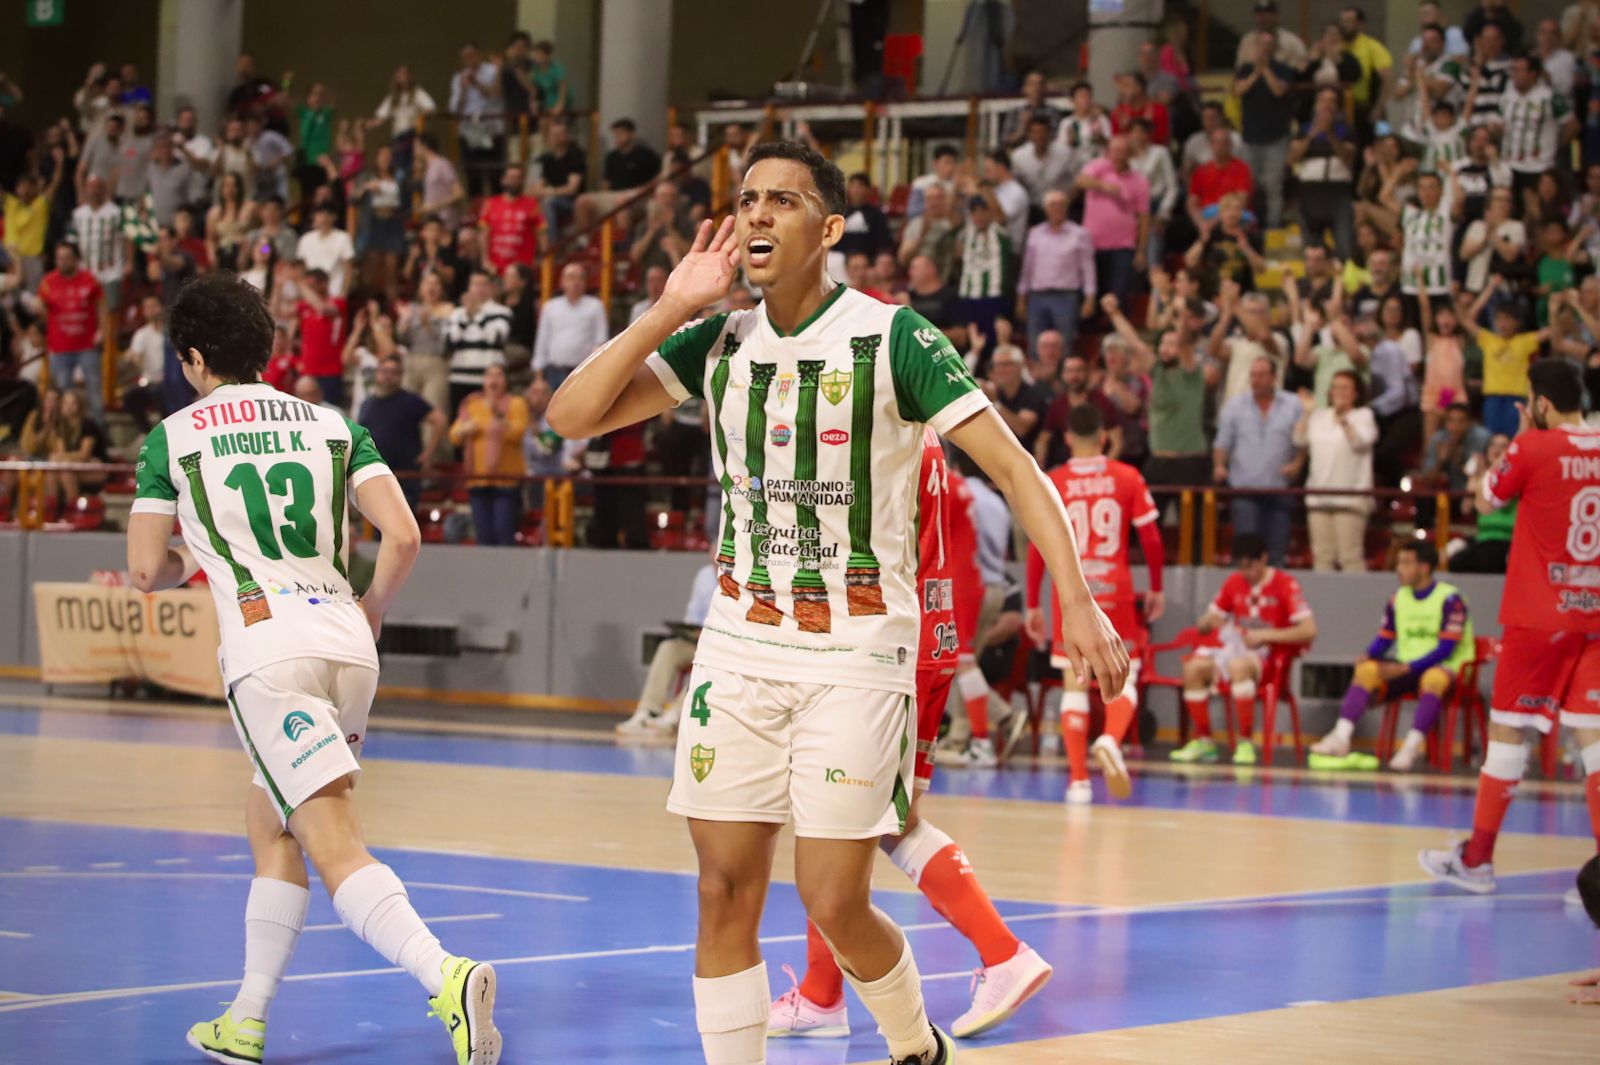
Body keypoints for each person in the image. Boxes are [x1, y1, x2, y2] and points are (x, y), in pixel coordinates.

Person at [545, 140, 1126, 1065]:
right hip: (740, 648)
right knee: (722, 891)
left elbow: (1016, 470)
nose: (760, 214)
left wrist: (1082, 600)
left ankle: (912, 1045)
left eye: (784, 199)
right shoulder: (716, 339)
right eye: (748, 199)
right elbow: (570, 417)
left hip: (857, 653)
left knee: (833, 898)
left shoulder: (894, 336)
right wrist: (668, 308)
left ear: (830, 227)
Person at [125, 272, 500, 1065]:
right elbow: (404, 537)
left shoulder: (174, 437)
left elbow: (143, 567)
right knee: (273, 824)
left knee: (331, 839)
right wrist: (366, 609)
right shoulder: (334, 424)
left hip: (269, 652)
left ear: (192, 356)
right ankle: (248, 1017)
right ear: (265, 345)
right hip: (347, 644)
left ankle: (447, 974)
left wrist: (206, 551)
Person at [772, 432, 1053, 1039]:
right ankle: (825, 994)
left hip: (883, 642)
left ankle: (1002, 954)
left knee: (834, 820)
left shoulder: (858, 415)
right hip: (931, 629)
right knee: (878, 822)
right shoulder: (921, 426)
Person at [1420, 360, 1600, 895]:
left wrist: (1519, 441)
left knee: (1506, 732)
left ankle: (1476, 861)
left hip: (1538, 614)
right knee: (1594, 741)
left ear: (1540, 403)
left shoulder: (1534, 446)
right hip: (1593, 611)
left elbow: (1487, 498)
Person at [1027, 403, 1165, 804]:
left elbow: (1039, 548)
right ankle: (1109, 738)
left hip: (1071, 593)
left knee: (1075, 682)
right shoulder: (1127, 477)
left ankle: (1078, 783)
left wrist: (1035, 601)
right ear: (1104, 436)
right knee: (1128, 672)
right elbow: (1152, 540)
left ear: (1068, 437)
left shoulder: (1053, 481)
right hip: (1115, 588)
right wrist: (1155, 586)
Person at [1311, 540, 1474, 770]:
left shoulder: (1450, 599)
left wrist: (1407, 668)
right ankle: (1340, 737)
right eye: (1399, 563)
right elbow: (1386, 637)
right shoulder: (1398, 598)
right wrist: (1369, 654)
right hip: (1406, 668)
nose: (1399, 569)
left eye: (1406, 563)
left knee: (1433, 678)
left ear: (1424, 567)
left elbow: (1446, 649)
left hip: (1446, 669)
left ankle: (1411, 747)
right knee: (1366, 670)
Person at [1171, 533, 1319, 765]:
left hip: (1270, 660)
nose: (1247, 573)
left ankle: (1246, 742)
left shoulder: (1285, 584)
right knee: (1193, 668)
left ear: (1264, 558)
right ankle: (1205, 741)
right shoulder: (1233, 582)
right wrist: (1208, 623)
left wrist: (1264, 635)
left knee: (1238, 666)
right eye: (1241, 567)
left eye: (1251, 566)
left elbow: (1309, 630)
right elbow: (1207, 619)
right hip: (1234, 650)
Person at [1213, 356, 1304, 565]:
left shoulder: (1293, 404)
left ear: (1274, 377)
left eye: (1261, 375)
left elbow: (1302, 442)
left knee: (1277, 551)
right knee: (1246, 551)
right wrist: (1219, 465)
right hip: (1245, 488)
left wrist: (1297, 464)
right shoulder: (1235, 405)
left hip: (1279, 487)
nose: (1256, 380)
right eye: (1253, 375)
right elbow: (1222, 442)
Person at [618, 564, 718, 737]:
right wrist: (688, 630)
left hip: (721, 647)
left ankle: (674, 714)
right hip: (697, 640)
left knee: (704, 661)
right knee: (668, 648)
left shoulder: (739, 575)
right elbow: (692, 614)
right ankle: (648, 711)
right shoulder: (704, 575)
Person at [1294, 370, 1377, 571]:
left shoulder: (1363, 415)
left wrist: (1343, 419)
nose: (1338, 392)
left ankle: (1356, 603)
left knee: (1350, 557)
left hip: (1350, 499)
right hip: (1319, 497)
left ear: (1355, 393)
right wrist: (1306, 413)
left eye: (1344, 388)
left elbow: (1360, 441)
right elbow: (1298, 439)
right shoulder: (1319, 417)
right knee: (1322, 557)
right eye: (1334, 387)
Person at [359, 354, 445, 511]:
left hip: (405, 476)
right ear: (377, 373)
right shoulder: (367, 404)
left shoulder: (410, 401)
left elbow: (439, 420)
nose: (388, 376)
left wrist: (428, 453)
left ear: (400, 376)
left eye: (394, 372)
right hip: (376, 474)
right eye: (384, 371)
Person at [1075, 133, 1149, 309]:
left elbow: (1144, 218)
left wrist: (1141, 250)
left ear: (1129, 154)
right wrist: (1103, 185)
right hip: (1092, 243)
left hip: (1122, 245)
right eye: (1115, 150)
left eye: (1123, 151)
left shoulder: (1139, 180)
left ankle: (1117, 331)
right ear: (1108, 151)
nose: (1118, 155)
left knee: (1118, 294)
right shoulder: (1098, 168)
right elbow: (1080, 180)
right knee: (1091, 292)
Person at [1016, 188, 1094, 352]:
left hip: (1066, 296)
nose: (1056, 209)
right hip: (1037, 296)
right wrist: (1021, 298)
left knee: (1065, 344)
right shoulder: (1035, 234)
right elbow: (1027, 268)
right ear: (1046, 209)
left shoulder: (1079, 234)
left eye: (1060, 205)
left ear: (1066, 208)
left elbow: (1088, 268)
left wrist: (1090, 298)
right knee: (1035, 343)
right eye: (1053, 205)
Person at [1234, 30, 1297, 229]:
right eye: (1260, 44)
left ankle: (1272, 228)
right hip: (1250, 136)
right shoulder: (1245, 69)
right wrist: (1256, 72)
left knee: (1273, 186)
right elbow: (1238, 90)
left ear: (1274, 47)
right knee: (1248, 186)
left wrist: (1266, 70)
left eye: (1267, 44)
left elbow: (1278, 90)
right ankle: (1249, 225)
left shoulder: (1283, 69)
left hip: (1276, 137)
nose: (1263, 48)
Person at [37, 241, 104, 422]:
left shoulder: (90, 279)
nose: (63, 262)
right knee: (62, 393)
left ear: (76, 259)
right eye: (59, 258)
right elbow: (40, 308)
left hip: (87, 344)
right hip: (59, 347)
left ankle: (100, 434)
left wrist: (101, 331)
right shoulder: (48, 282)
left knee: (94, 393)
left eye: (67, 258)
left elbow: (101, 306)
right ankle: (64, 434)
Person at [1290, 87, 1357, 258]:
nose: (1327, 105)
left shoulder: (1345, 130)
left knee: (1344, 245)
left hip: (1338, 193)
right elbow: (1292, 158)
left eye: (1332, 101)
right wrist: (1312, 135)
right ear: (1315, 105)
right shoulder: (1304, 130)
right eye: (1323, 100)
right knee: (1312, 248)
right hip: (1309, 192)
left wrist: (1330, 134)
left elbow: (1348, 157)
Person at [443, 269, 512, 414]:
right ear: (469, 288)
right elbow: (450, 341)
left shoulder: (502, 312)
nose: (480, 289)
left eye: (484, 284)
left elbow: (496, 338)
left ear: (491, 287)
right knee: (460, 422)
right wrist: (466, 316)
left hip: (488, 379)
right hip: (459, 377)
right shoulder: (457, 313)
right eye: (475, 284)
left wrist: (478, 315)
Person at [533, 262, 608, 391]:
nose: (576, 282)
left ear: (585, 282)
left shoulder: (596, 306)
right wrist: (538, 377)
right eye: (571, 277)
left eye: (580, 278)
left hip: (583, 372)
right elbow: (542, 341)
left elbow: (601, 341)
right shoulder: (550, 307)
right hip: (554, 371)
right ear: (562, 282)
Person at [480, 163, 545, 273]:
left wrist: (543, 258)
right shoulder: (490, 203)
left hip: (523, 269)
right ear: (503, 180)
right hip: (496, 267)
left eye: (517, 178)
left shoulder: (532, 204)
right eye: (510, 178)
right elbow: (484, 233)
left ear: (522, 181)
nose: (513, 181)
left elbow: (541, 233)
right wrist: (485, 260)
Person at [297, 203, 355, 299]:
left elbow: (348, 268)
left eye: (327, 214)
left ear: (334, 217)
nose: (323, 217)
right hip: (311, 294)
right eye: (320, 214)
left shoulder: (343, 238)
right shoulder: (306, 239)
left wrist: (343, 294)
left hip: (335, 292)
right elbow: (302, 268)